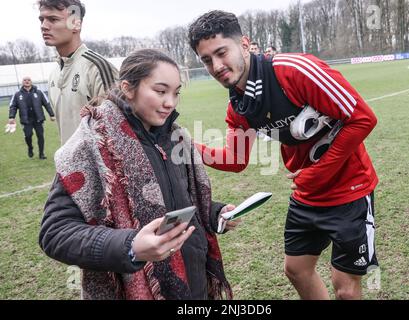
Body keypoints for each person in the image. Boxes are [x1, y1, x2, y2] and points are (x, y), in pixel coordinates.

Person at [188, 10, 379, 300]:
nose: (216, 66)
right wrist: (187, 147)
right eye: (206, 60)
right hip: (306, 194)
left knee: (346, 290)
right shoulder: (239, 107)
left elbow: (363, 118)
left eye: (221, 52)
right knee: (296, 270)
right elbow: (235, 160)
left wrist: (319, 171)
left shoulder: (295, 70)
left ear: (244, 43)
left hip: (349, 190)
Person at [39, 49, 239, 300]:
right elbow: (55, 233)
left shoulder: (176, 138)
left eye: (176, 93)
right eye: (160, 91)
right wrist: (130, 247)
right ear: (128, 88)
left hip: (194, 282)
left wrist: (213, 212)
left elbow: (180, 200)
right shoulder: (91, 145)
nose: (171, 102)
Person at [38, 0, 118, 144]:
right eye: (41, 19)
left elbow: (118, 129)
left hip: (98, 166)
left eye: (53, 19)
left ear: (76, 24)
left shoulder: (97, 67)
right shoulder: (54, 73)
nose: (44, 26)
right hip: (68, 165)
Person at [8, 76, 56, 159]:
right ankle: (30, 148)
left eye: (28, 80)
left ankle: (41, 154)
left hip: (38, 118)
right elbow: (13, 106)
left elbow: (47, 104)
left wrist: (51, 115)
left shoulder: (39, 92)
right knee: (28, 135)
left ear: (31, 82)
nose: (27, 81)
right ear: (22, 82)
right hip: (26, 120)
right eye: (25, 80)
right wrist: (11, 116)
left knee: (40, 136)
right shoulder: (17, 94)